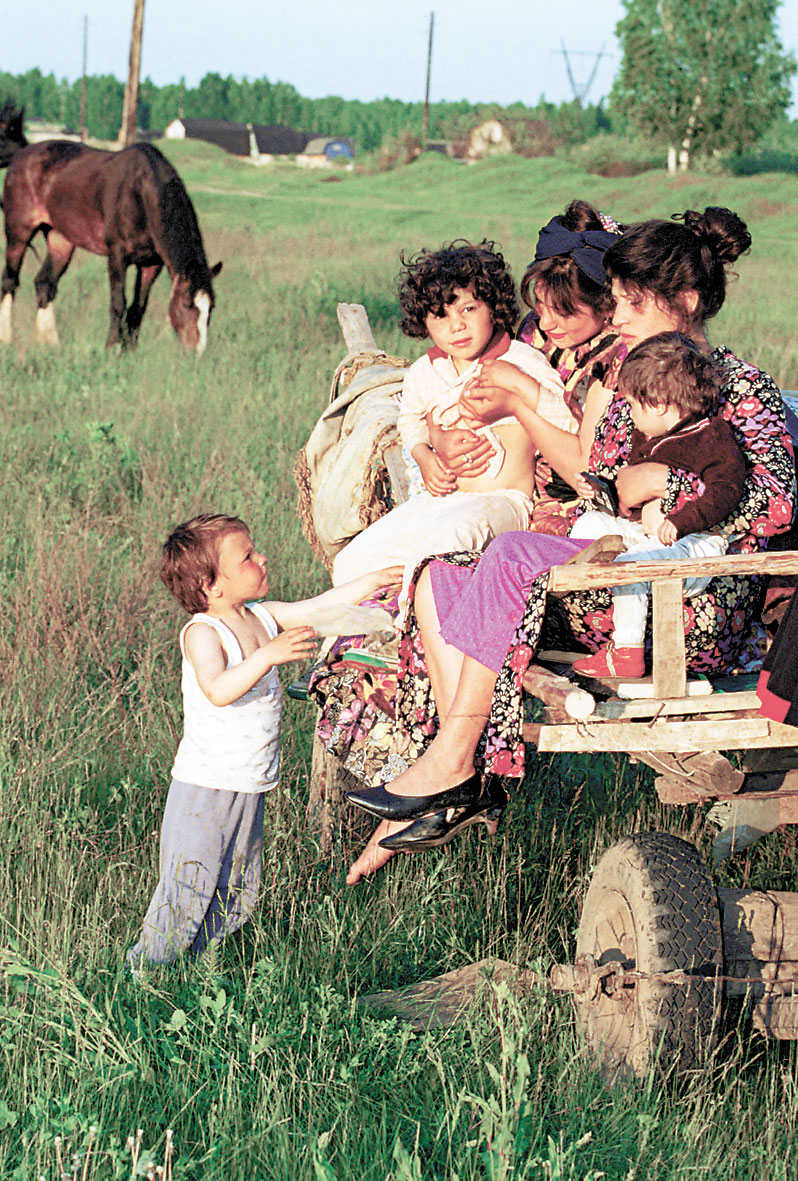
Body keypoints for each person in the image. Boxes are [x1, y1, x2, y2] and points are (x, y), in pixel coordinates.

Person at [340, 205, 795, 883]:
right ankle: (458, 768)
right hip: (615, 578)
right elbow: (598, 487)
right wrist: (610, 494)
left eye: (631, 303)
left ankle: (455, 762)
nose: (616, 317)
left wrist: (663, 486)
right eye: (614, 303)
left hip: (686, 599)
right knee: (437, 575)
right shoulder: (627, 385)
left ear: (687, 301)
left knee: (509, 560)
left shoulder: (739, 386)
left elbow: (778, 502)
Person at [127, 513, 399, 967]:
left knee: (237, 884)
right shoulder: (203, 633)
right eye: (247, 556)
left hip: (249, 784)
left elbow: (319, 609)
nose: (262, 558)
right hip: (205, 787)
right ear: (212, 586)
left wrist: (372, 580)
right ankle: (147, 968)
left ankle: (199, 965)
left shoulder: (260, 616)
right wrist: (268, 657)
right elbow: (217, 689)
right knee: (189, 882)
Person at [331, 240, 576, 615]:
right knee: (350, 564)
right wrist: (423, 455)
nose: (456, 326)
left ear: (493, 306)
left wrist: (519, 387)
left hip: (503, 501)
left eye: (468, 309)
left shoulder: (521, 361)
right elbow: (410, 419)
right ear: (424, 321)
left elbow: (566, 418)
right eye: (440, 316)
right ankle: (367, 626)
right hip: (440, 501)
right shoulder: (426, 371)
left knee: (448, 540)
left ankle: (410, 621)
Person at [569, 332, 746, 679]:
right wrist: (599, 489)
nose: (629, 413)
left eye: (633, 405)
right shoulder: (649, 438)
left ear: (659, 404)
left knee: (631, 565)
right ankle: (587, 586)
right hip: (652, 537)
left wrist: (683, 521)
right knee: (590, 525)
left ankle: (626, 651)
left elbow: (726, 491)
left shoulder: (712, 437)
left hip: (698, 545)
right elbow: (631, 501)